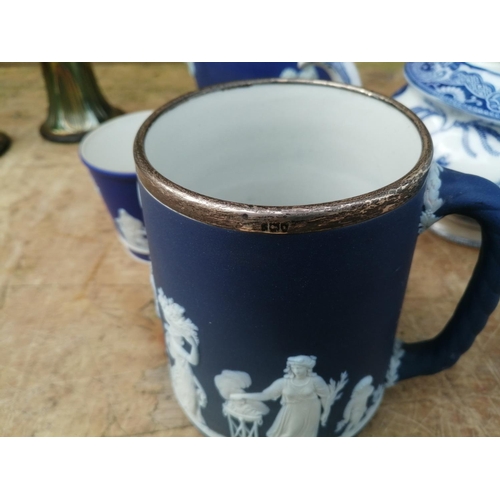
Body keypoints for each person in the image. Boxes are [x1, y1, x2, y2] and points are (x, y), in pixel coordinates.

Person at [230, 355, 331, 437]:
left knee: (294, 434)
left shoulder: (315, 380)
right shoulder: (283, 382)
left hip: (310, 410)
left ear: (307, 368)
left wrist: (326, 412)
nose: (297, 370)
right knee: (288, 434)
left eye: (300, 368)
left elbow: (326, 396)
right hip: (291, 410)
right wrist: (242, 396)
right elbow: (265, 395)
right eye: (294, 367)